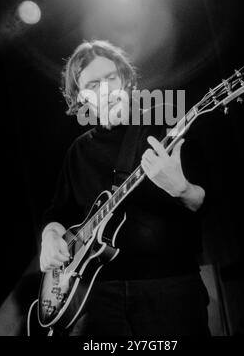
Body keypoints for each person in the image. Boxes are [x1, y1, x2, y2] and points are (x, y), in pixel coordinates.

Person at [40, 39, 210, 337]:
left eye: (110, 78)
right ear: (81, 98)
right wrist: (50, 235)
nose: (105, 90)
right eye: (93, 84)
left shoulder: (164, 125)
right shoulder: (78, 152)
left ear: (127, 81)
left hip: (168, 287)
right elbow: (59, 211)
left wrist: (181, 189)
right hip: (98, 297)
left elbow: (204, 200)